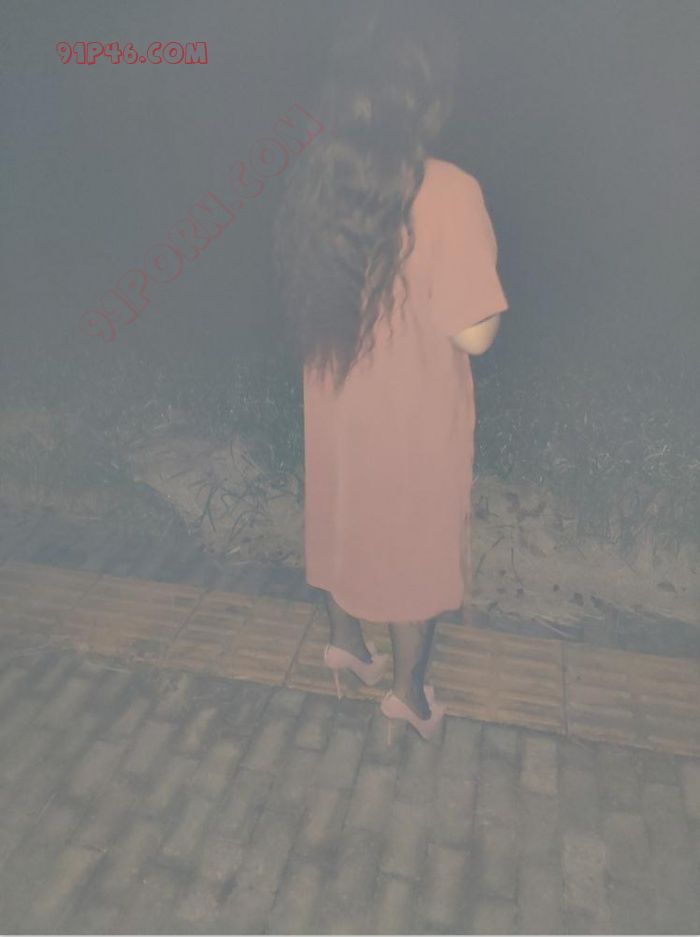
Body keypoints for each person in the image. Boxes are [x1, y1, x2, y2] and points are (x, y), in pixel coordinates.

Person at [273, 3, 509, 743]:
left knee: (341, 507)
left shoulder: (320, 174)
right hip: (410, 410)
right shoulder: (450, 190)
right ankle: (408, 695)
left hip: (337, 392)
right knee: (413, 536)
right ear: (426, 93)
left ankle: (347, 643)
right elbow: (475, 333)